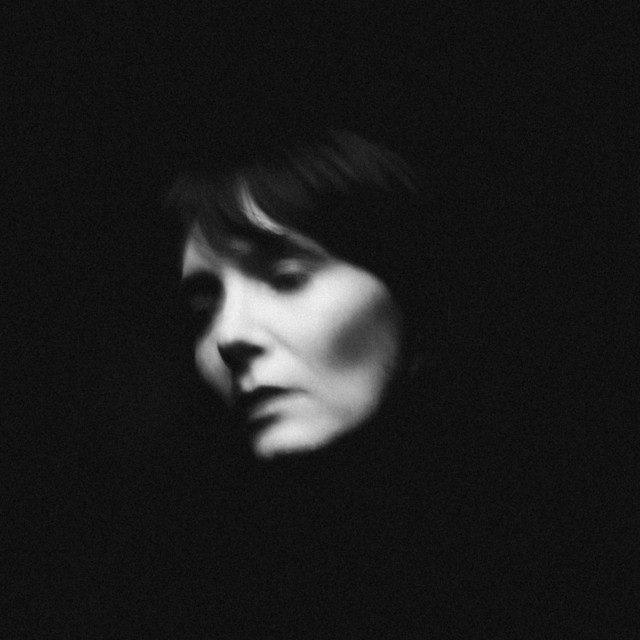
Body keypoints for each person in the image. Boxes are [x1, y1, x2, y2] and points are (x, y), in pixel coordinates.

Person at [161, 129, 545, 637]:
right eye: (204, 310)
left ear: (418, 302)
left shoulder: (562, 558)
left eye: (287, 278)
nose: (228, 337)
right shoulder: (206, 590)